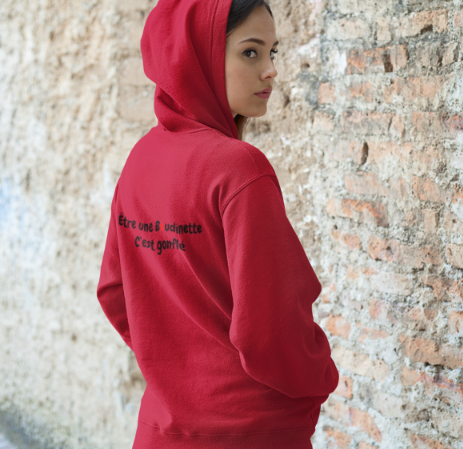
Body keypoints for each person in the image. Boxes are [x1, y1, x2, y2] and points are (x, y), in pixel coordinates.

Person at [96, 0, 339, 448]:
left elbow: (114, 292)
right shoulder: (240, 169)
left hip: (163, 429)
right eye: (251, 52)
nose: (270, 70)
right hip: (252, 432)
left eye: (273, 52)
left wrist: (175, 369)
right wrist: (320, 379)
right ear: (198, 58)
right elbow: (270, 328)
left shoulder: (140, 161)